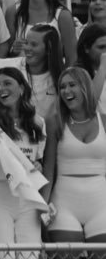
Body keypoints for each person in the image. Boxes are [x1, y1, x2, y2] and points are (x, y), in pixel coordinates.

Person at [0, 67, 48, 246]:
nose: (0, 89)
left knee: (29, 257)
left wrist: (38, 166)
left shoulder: (39, 123)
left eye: (7, 83)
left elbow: (38, 162)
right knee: (1, 257)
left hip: (28, 197)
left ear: (21, 88)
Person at [43, 67, 106, 243]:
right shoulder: (55, 121)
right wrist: (42, 205)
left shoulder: (104, 121)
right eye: (62, 87)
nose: (66, 91)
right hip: (64, 202)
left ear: (85, 87)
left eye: (72, 85)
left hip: (101, 201)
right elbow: (49, 169)